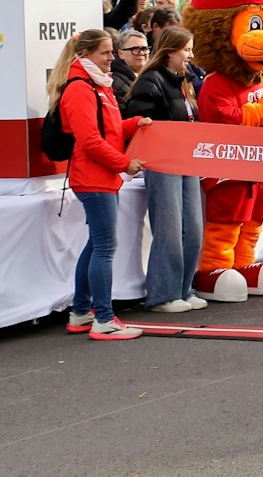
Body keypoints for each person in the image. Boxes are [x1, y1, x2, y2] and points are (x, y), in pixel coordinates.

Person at [55, 29, 151, 341]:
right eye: (105, 53)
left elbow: (108, 131)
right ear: (86, 55)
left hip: (100, 177)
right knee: (105, 246)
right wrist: (125, 163)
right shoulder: (81, 88)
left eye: (112, 52)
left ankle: (83, 312)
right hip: (94, 178)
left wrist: (134, 123)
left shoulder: (97, 85)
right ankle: (103, 318)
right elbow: (90, 140)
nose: (112, 58)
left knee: (97, 244)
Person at [121, 26, 206, 314]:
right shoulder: (151, 80)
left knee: (193, 227)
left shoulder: (185, 81)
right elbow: (137, 119)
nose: (191, 55)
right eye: (186, 50)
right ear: (170, 51)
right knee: (169, 228)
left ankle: (184, 288)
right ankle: (162, 294)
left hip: (186, 160)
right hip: (162, 163)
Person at [112, 29, 150, 99]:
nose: (141, 53)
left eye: (144, 48)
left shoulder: (153, 76)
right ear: (121, 54)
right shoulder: (116, 83)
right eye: (135, 49)